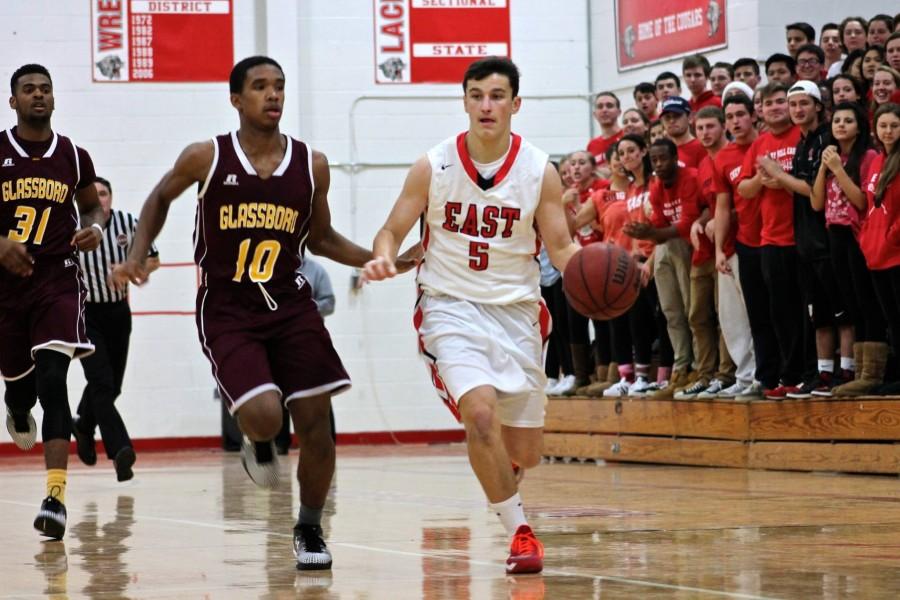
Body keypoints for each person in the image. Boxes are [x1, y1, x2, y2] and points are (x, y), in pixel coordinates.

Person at [111, 56, 419, 570]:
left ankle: (310, 527)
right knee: (264, 417)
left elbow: (319, 239)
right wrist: (140, 253)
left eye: (278, 87)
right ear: (236, 99)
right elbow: (158, 199)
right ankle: (258, 442)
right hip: (228, 307)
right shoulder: (206, 156)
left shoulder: (310, 164)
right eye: (259, 87)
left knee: (317, 422)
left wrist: (378, 257)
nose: (272, 95)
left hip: (291, 305)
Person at [362, 56, 580, 574]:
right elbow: (392, 229)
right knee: (480, 416)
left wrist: (605, 268)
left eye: (497, 95)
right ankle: (521, 535)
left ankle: (502, 470)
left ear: (515, 104)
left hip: (518, 314)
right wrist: (384, 253)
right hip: (449, 306)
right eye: (477, 94)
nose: (487, 105)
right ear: (464, 101)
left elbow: (564, 249)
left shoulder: (538, 170)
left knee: (524, 452)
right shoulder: (433, 166)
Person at [1, 64, 105, 539]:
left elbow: (91, 203)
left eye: (45, 89)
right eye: (28, 90)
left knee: (53, 377)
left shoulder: (74, 156)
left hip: (57, 280)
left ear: (54, 99)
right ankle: (17, 409)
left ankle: (55, 497)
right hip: (6, 288)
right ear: (13, 101)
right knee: (21, 389)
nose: (38, 96)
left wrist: (95, 227)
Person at [72, 177, 159, 480]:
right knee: (102, 384)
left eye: (105, 193)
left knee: (113, 386)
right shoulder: (73, 229)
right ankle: (120, 449)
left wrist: (134, 270)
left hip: (119, 312)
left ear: (111, 197)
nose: (101, 199)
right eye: (94, 195)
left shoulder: (126, 223)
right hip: (86, 315)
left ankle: (83, 425)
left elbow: (154, 259)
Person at [736, 82, 806, 399]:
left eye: (782, 101)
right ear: (760, 109)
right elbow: (743, 190)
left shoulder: (802, 136)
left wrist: (780, 177)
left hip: (803, 236)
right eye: (770, 103)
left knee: (806, 311)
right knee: (779, 312)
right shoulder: (760, 143)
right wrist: (761, 179)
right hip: (770, 239)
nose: (776, 107)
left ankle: (809, 373)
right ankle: (786, 375)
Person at [811, 102, 884, 396]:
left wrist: (838, 169)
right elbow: (816, 203)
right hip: (835, 237)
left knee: (867, 302)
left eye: (848, 120)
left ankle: (872, 373)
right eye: (837, 120)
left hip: (859, 237)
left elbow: (862, 201)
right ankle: (860, 371)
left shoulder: (867, 156)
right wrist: (823, 168)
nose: (840, 125)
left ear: (859, 126)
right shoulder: (831, 156)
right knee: (851, 304)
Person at [625, 138, 699, 398]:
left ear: (675, 157)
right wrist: (646, 232)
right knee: (671, 312)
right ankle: (681, 367)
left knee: (694, 312)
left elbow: (687, 224)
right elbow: (658, 231)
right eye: (654, 160)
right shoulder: (656, 187)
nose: (658, 164)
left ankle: (700, 367)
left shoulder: (690, 177)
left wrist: (653, 232)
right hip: (668, 248)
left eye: (663, 158)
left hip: (694, 248)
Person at [677, 106, 737, 399]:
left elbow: (741, 202)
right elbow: (704, 206)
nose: (705, 133)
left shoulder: (734, 155)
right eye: (700, 128)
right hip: (703, 250)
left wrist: (719, 220)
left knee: (725, 314)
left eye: (710, 127)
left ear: (723, 126)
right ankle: (705, 374)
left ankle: (726, 375)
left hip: (731, 247)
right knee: (697, 315)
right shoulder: (702, 164)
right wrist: (700, 222)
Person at [712, 95, 761, 398]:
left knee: (761, 314)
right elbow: (721, 207)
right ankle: (745, 377)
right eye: (729, 117)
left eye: (740, 114)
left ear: (753, 115)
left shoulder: (766, 145)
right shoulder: (723, 157)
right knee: (731, 317)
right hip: (734, 244)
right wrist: (718, 249)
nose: (735, 122)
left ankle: (765, 374)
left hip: (767, 241)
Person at [857, 103, 900, 391]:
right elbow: (870, 207)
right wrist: (868, 239)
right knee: (892, 321)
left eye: (894, 126)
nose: (888, 131)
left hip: (895, 254)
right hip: (876, 255)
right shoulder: (876, 161)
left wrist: (889, 239)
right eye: (883, 125)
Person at [274, 256, 337, 453]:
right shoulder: (273, 268)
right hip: (278, 341)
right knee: (279, 395)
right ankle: (280, 445)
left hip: (308, 341)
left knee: (318, 394)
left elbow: (329, 302)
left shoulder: (316, 270)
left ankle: (326, 443)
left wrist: (304, 310)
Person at [659, 97, 706, 168]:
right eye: (667, 117)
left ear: (690, 118)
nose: (672, 121)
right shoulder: (662, 150)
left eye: (677, 115)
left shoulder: (702, 148)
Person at [586, 92, 623, 172]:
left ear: (619, 112)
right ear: (595, 114)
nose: (604, 110)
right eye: (600, 107)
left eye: (609, 106)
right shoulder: (592, 145)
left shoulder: (627, 137)